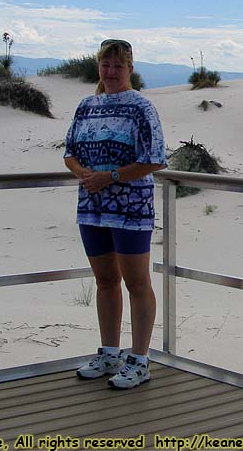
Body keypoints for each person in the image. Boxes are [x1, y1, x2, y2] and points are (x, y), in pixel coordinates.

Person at [64, 39, 166, 389]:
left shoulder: (142, 108)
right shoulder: (86, 106)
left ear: (130, 69)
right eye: (105, 65)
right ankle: (110, 353)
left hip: (130, 208)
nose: (110, 71)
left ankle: (139, 360)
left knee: (137, 282)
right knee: (105, 281)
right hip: (92, 207)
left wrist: (111, 176)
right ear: (98, 67)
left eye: (118, 66)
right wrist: (85, 175)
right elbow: (69, 152)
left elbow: (154, 158)